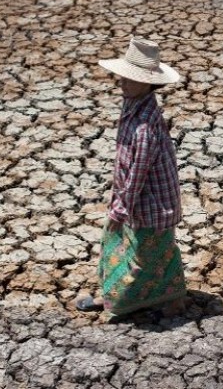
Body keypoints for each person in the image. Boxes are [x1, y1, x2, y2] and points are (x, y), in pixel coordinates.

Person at [75, 37, 187, 321]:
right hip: (131, 197)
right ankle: (114, 294)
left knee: (145, 255)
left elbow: (138, 173)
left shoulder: (145, 127)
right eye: (122, 76)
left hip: (150, 203)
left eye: (129, 78)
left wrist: (121, 208)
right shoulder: (134, 107)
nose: (122, 82)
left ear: (148, 82)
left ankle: (147, 300)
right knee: (120, 245)